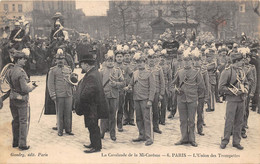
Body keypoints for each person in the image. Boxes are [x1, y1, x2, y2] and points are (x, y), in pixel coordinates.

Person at [74, 50, 108, 153]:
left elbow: (88, 93)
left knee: (92, 126)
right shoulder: (93, 72)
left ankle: (96, 147)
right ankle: (93, 143)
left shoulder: (91, 75)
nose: (81, 66)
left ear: (86, 64)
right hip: (93, 106)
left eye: (82, 64)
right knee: (91, 125)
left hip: (91, 107)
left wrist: (79, 100)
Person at [172, 49, 205, 147]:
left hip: (192, 99)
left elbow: (201, 87)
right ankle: (184, 138)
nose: (186, 62)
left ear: (192, 61)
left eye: (188, 60)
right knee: (182, 120)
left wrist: (196, 96)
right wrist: (176, 89)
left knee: (191, 120)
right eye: (184, 60)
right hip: (181, 99)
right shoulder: (179, 72)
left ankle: (192, 139)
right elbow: (172, 84)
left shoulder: (196, 72)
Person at [6, 50, 37, 150]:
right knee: (23, 121)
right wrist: (33, 86)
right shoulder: (21, 73)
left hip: (12, 98)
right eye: (23, 59)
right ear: (18, 60)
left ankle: (15, 142)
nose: (25, 61)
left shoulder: (10, 70)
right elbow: (25, 89)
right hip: (22, 99)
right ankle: (22, 144)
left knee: (15, 120)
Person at [124, 52, 156, 146]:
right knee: (138, 118)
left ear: (145, 62)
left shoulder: (149, 73)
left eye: (141, 62)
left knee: (147, 119)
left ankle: (149, 137)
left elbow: (152, 88)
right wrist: (128, 87)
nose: (139, 64)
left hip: (145, 99)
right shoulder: (135, 73)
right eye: (138, 62)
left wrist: (150, 100)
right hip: (136, 98)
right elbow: (131, 84)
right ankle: (141, 135)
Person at [219, 52, 249, 150]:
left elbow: (246, 82)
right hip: (232, 100)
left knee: (239, 121)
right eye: (241, 61)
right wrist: (233, 91)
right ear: (236, 62)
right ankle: (225, 141)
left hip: (241, 99)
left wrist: (246, 89)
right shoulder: (227, 72)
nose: (242, 63)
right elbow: (221, 87)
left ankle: (236, 142)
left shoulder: (242, 71)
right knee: (229, 121)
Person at [47, 49, 74, 136]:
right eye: (58, 59)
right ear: (55, 60)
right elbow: (50, 84)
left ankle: (68, 129)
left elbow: (71, 81)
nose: (60, 61)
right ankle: (60, 130)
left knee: (68, 112)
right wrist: (53, 95)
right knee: (60, 113)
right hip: (59, 95)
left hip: (68, 94)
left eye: (62, 59)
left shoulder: (68, 69)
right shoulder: (53, 70)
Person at [100, 50, 124, 141]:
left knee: (113, 115)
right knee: (103, 115)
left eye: (111, 61)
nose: (110, 62)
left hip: (114, 96)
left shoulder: (117, 71)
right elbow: (99, 84)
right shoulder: (102, 71)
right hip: (105, 96)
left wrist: (116, 84)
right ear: (105, 61)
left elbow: (123, 82)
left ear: (113, 61)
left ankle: (112, 134)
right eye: (108, 61)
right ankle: (101, 132)